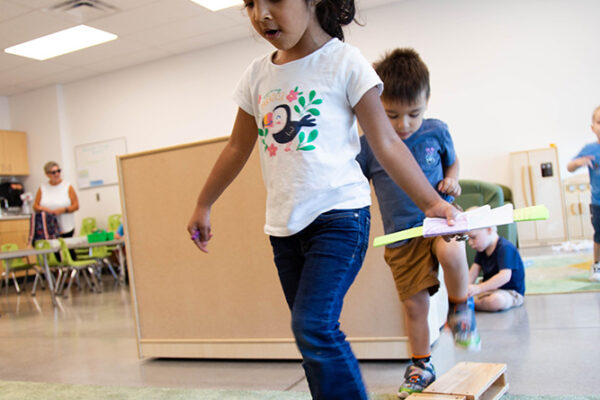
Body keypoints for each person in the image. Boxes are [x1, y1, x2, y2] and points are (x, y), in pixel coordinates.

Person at [187, 2, 458, 399]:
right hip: (283, 227)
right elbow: (236, 147)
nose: (261, 14)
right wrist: (203, 203)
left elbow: (385, 143)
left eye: (274, 0)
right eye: (249, 3)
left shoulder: (345, 63)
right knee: (311, 337)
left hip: (340, 218)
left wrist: (432, 203)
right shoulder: (258, 75)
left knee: (313, 326)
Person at [356, 48, 479, 398]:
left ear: (426, 102)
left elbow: (452, 164)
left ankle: (460, 307)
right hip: (400, 235)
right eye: (392, 115)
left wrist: (452, 181)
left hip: (439, 220)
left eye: (414, 114)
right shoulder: (371, 145)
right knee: (414, 304)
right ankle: (421, 364)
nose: (404, 125)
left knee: (453, 255)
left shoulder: (437, 131)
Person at [567, 105, 600, 282]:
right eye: (599, 122)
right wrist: (579, 162)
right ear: (593, 127)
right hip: (598, 202)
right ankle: (597, 265)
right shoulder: (590, 149)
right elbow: (569, 166)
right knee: (599, 236)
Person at [466, 225, 526, 311]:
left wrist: (479, 288)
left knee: (496, 301)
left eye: (473, 237)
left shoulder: (505, 248)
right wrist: (464, 288)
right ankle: (471, 302)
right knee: (465, 294)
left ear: (489, 229)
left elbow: (504, 277)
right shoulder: (482, 250)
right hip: (489, 289)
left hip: (510, 292)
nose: (470, 243)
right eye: (468, 239)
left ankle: (472, 304)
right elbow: (473, 272)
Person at [33, 161, 79, 239]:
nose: (57, 174)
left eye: (58, 171)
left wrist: (63, 210)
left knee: (67, 249)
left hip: (66, 227)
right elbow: (35, 206)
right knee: (54, 250)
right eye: (53, 172)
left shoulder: (67, 186)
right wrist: (44, 209)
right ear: (47, 174)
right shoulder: (42, 188)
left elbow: (76, 206)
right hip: (49, 228)